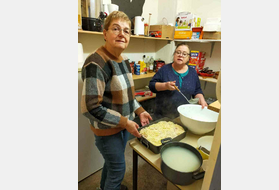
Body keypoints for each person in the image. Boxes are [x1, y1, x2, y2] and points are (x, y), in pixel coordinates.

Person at [80, 11, 152, 190]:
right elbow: (90, 108)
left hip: (122, 126)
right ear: (105, 33)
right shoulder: (95, 63)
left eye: (126, 31)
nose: (122, 34)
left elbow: (128, 96)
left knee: (111, 164)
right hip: (107, 131)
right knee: (118, 169)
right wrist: (125, 122)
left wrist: (140, 111)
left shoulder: (124, 60)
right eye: (116, 28)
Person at [149, 43, 208, 119]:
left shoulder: (193, 72)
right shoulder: (164, 69)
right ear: (174, 54)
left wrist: (201, 99)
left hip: (184, 115)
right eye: (178, 52)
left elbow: (197, 90)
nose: (180, 55)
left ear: (188, 58)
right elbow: (152, 85)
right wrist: (165, 86)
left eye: (184, 54)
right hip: (163, 115)